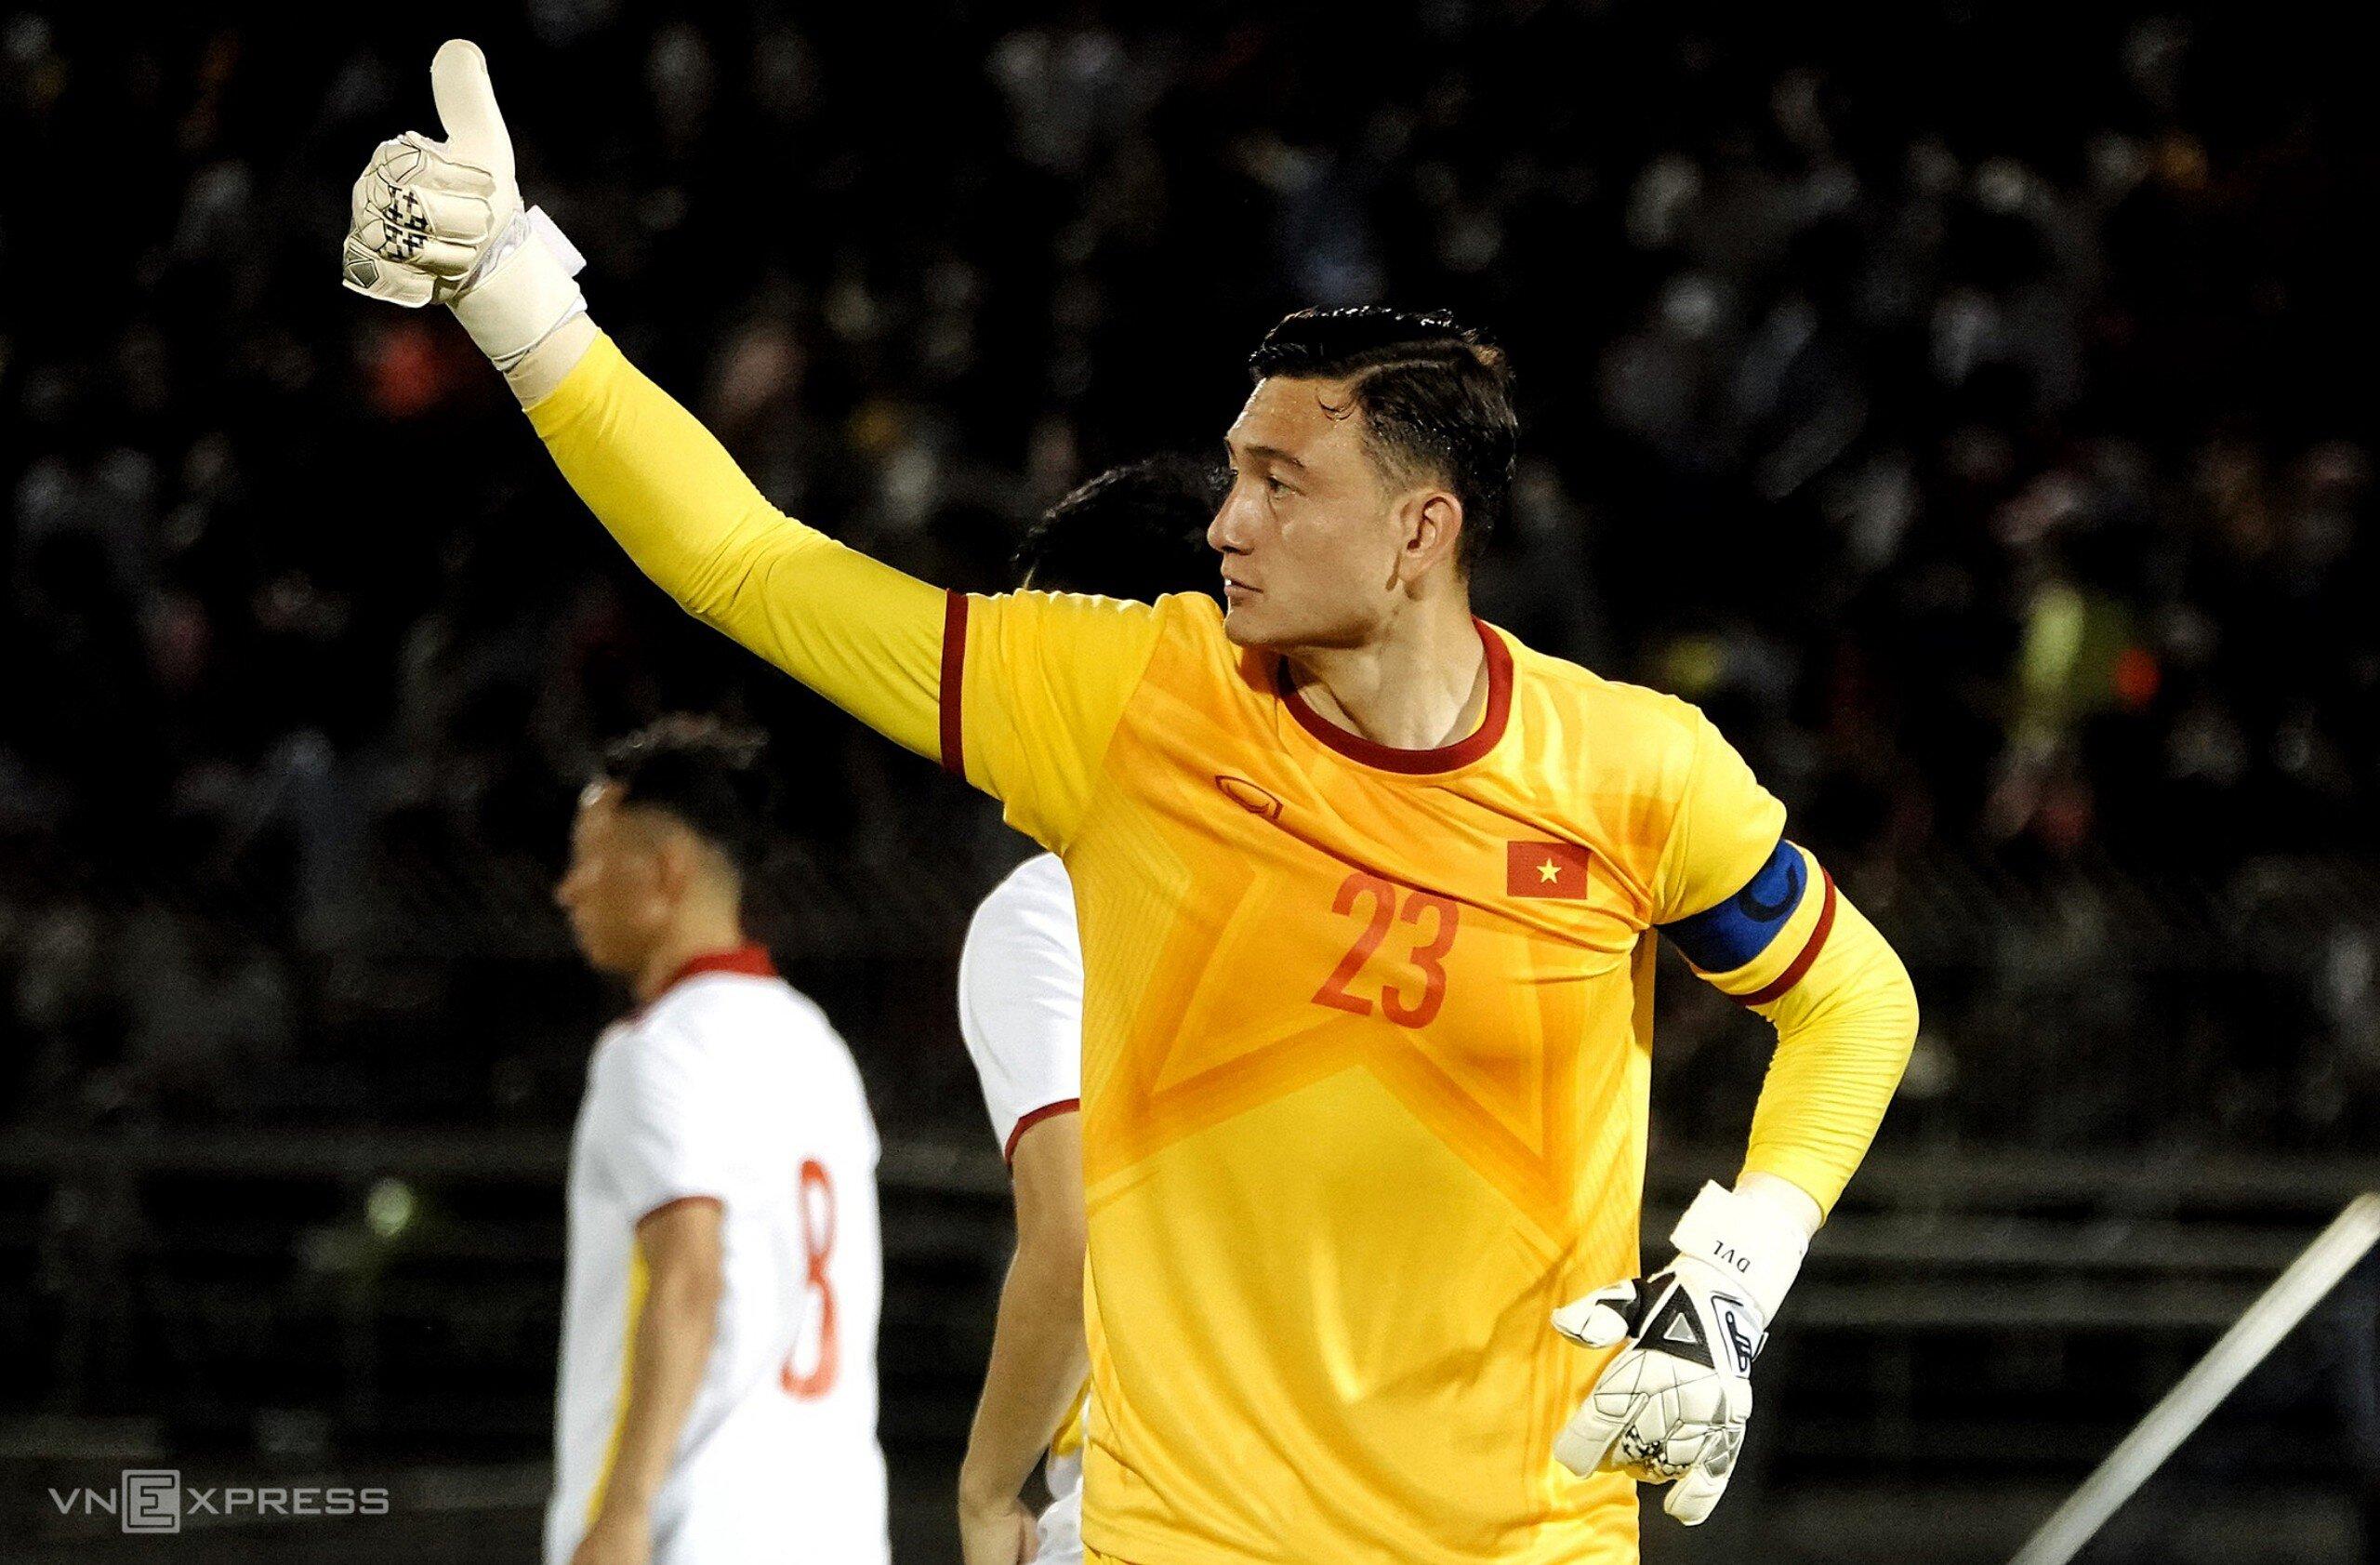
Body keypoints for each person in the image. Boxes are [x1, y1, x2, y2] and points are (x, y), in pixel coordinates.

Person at [348, 43, 1920, 1563]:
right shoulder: (1128, 699)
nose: (1227, 521)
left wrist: (1735, 1272)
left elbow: (1855, 1001)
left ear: (1420, 531)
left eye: (1282, 483)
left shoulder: (1634, 771)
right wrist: (518, 301)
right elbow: (748, 561)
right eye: (1235, 472)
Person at [953, 458, 1223, 1565]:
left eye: (1035, 654)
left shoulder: (1050, 908)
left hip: (1157, 1509)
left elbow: (1073, 1235)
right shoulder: (1379, 873)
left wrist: (985, 1491)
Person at [549, 715, 886, 1565]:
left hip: (694, 1529)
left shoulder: (651, 1051)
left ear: (666, 870)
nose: (569, 889)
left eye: (589, 856)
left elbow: (689, 1276)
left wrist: (624, 1512)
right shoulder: (817, 1043)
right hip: (837, 1527)